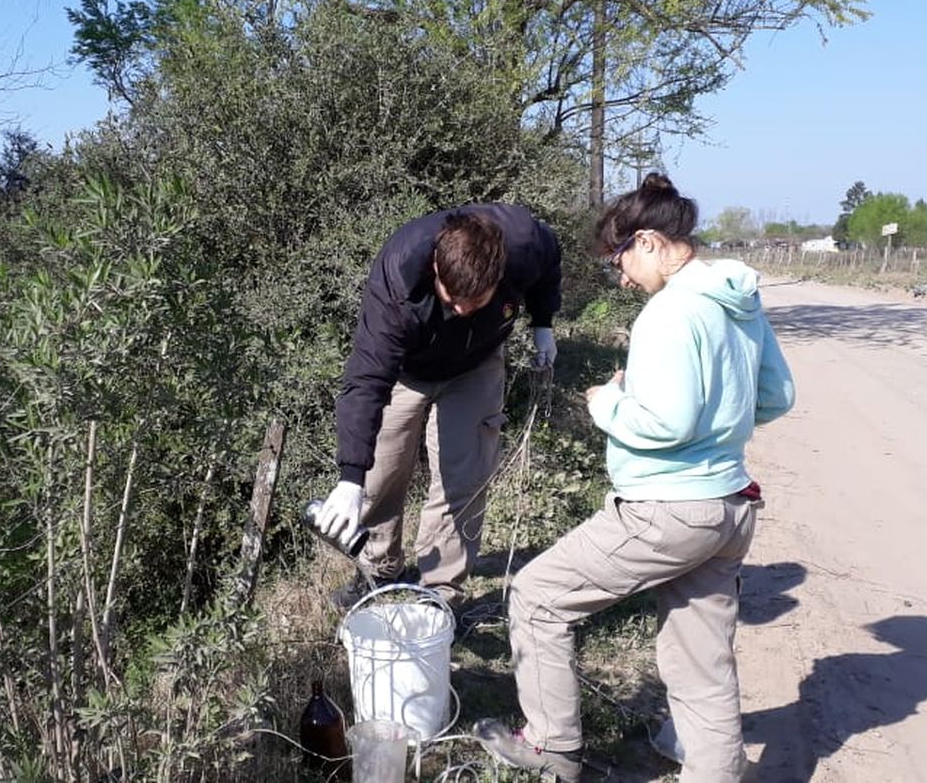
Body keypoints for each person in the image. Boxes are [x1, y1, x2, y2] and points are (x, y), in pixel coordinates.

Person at [474, 174, 795, 783]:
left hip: (667, 509)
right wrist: (719, 423)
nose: (620, 277)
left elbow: (666, 423)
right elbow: (777, 396)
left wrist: (607, 403)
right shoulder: (738, 301)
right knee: (702, 655)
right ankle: (715, 771)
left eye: (618, 260)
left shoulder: (668, 314)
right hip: (729, 505)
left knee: (537, 597)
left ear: (648, 241)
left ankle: (550, 746)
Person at [314, 204, 562, 610]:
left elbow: (549, 260)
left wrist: (543, 324)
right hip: (408, 370)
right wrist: (350, 478)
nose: (462, 310)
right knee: (381, 473)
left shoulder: (523, 242)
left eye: (476, 301)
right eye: (453, 298)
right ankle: (379, 571)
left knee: (462, 478)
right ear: (434, 265)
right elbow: (366, 379)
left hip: (477, 364)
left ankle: (439, 594)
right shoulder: (397, 276)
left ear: (499, 275)